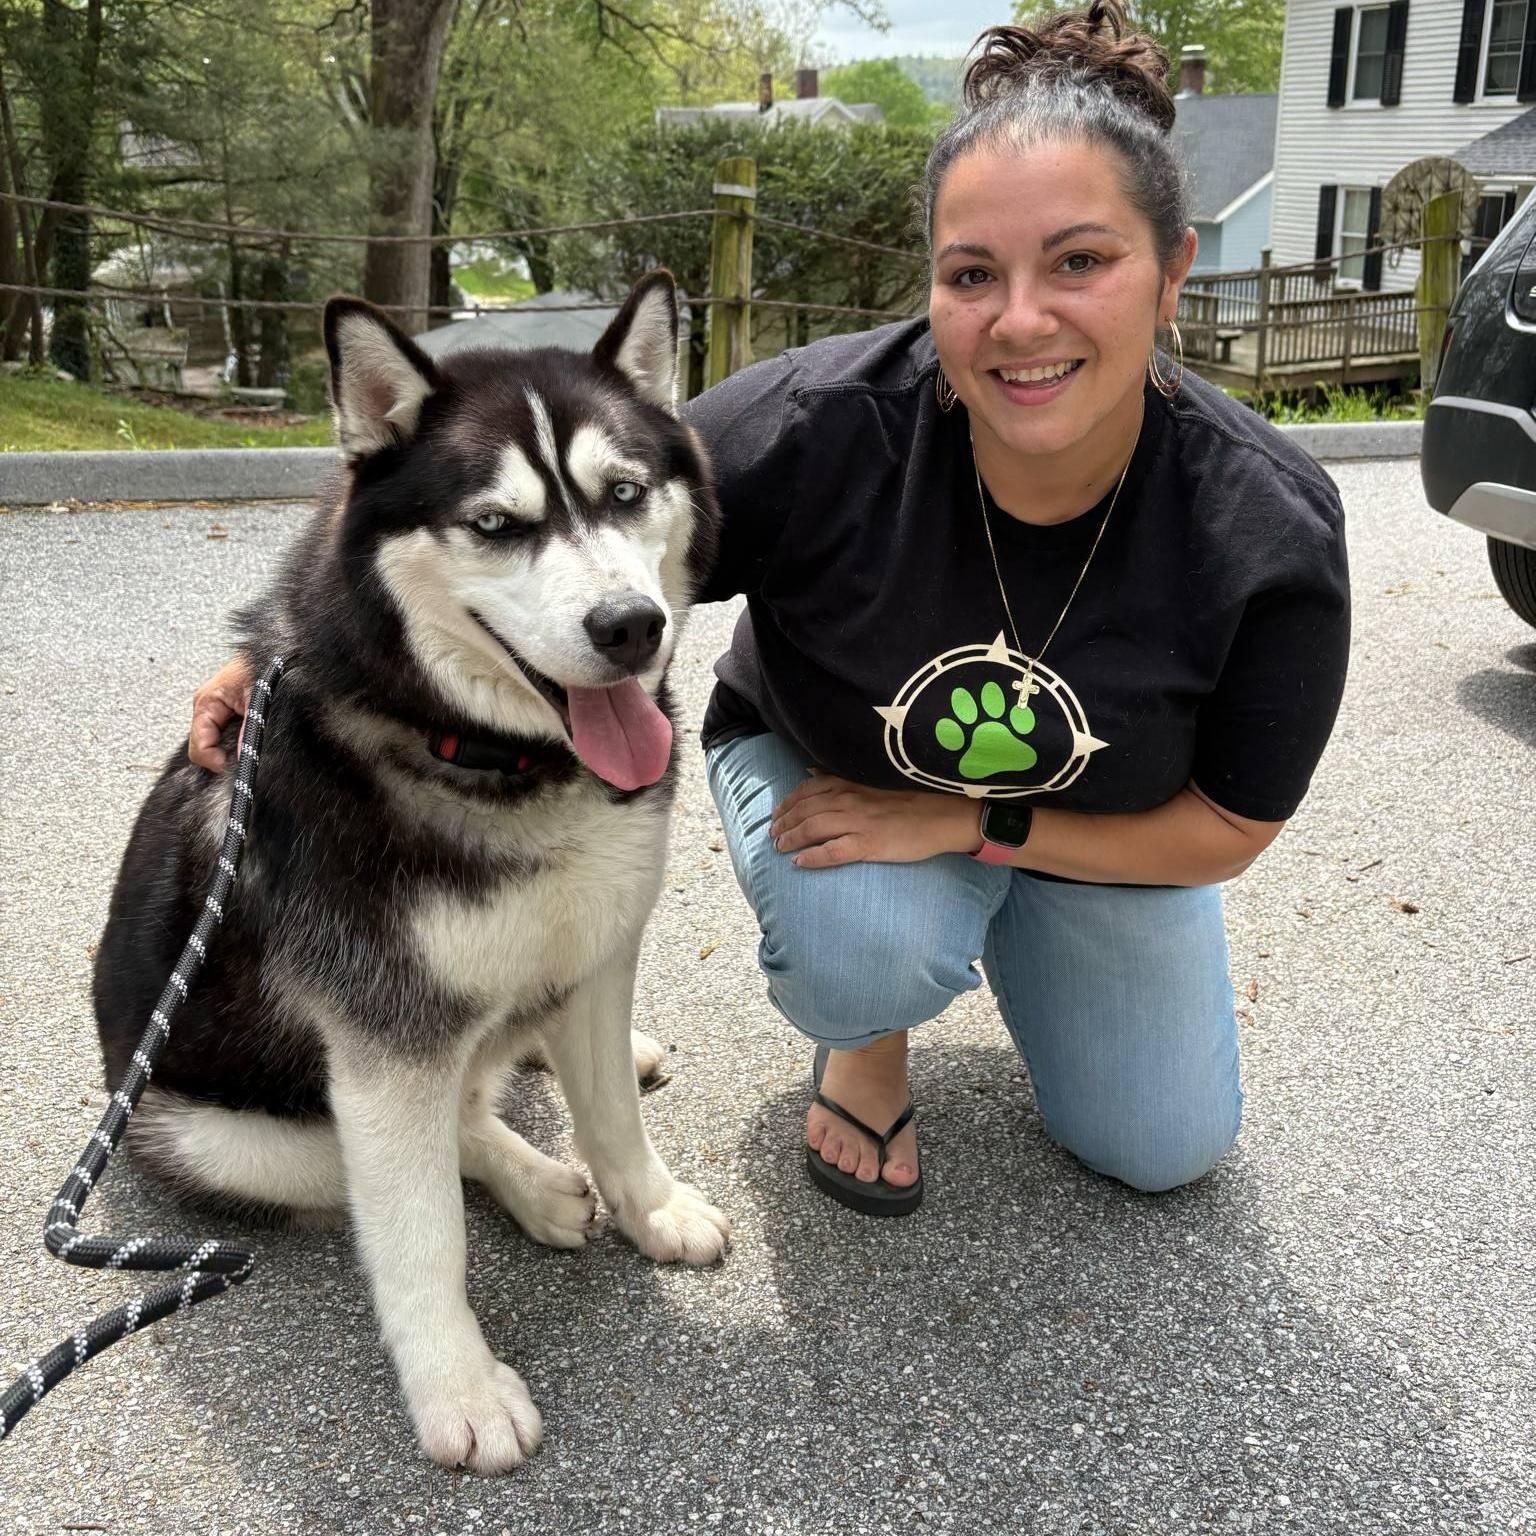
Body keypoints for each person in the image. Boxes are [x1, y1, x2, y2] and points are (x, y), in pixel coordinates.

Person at [189, 1, 1350, 1219]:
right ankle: (869, 1037)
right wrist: (278, 662)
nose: (1020, 320)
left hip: (1092, 833)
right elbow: (448, 505)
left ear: (1172, 275)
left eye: (1080, 261)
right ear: (933, 287)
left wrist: (971, 831)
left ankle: (1003, 909)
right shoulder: (815, 427)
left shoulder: (1264, 527)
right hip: (836, 779)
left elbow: (1225, 826)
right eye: (971, 274)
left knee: (1163, 1146)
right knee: (867, 946)